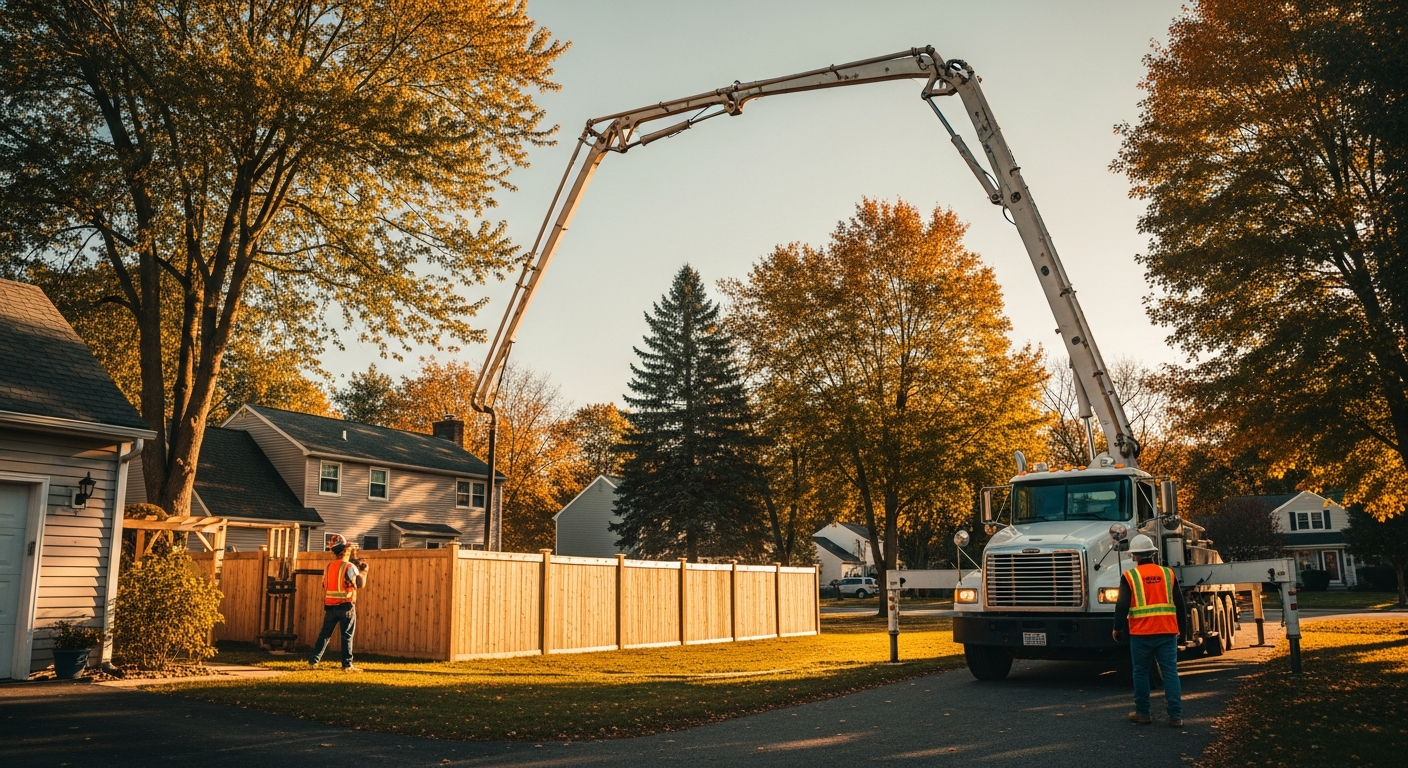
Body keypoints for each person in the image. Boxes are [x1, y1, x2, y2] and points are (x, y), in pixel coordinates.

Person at [1112, 534, 1188, 727]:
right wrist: (1183, 631)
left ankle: (1143, 713)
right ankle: (1175, 716)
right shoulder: (1168, 574)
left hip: (1141, 633)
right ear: (1152, 554)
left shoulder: (1130, 576)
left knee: (1140, 672)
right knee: (1170, 672)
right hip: (1167, 632)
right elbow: (1180, 604)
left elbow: (1121, 605)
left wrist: (1117, 628)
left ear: (1135, 556)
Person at [309, 534, 368, 673]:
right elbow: (359, 584)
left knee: (324, 635)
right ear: (345, 551)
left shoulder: (329, 566)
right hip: (346, 605)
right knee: (347, 636)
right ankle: (347, 665)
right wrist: (364, 572)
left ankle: (313, 661)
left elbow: (324, 584)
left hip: (330, 606)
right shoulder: (349, 566)